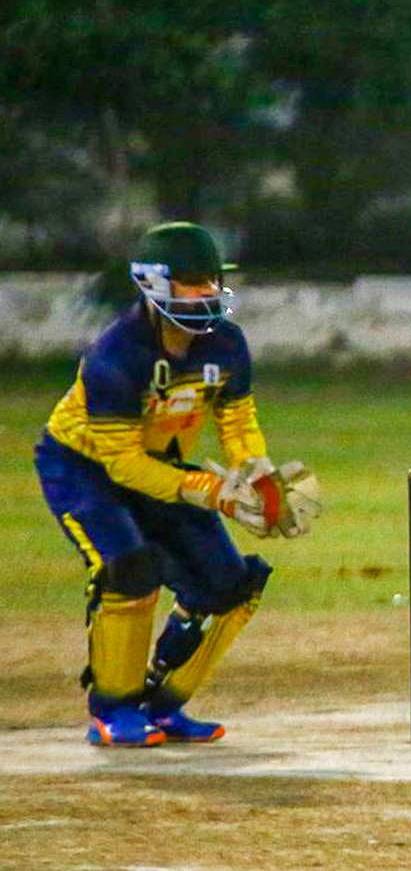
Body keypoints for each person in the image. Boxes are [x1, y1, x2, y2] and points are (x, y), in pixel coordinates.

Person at [33, 221, 320, 747]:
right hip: (84, 467)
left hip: (161, 463)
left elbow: (236, 421)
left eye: (214, 279)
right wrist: (215, 492)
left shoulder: (226, 343)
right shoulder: (117, 355)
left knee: (230, 586)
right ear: (154, 284)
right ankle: (113, 710)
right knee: (130, 570)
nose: (209, 291)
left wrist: (257, 476)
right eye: (193, 281)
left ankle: (162, 705)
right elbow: (122, 464)